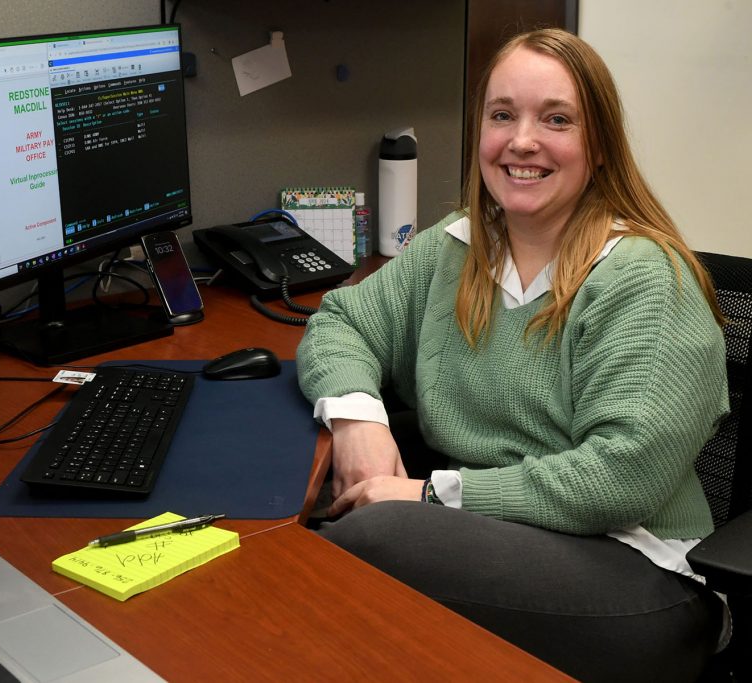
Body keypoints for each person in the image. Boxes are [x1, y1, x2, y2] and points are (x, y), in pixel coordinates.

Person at [297, 28, 730, 682]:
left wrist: (428, 494)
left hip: (639, 574)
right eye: (503, 115)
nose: (522, 140)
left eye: (556, 119)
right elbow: (342, 321)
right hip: (495, 538)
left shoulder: (644, 279)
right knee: (331, 547)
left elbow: (619, 479)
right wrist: (360, 422)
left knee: (361, 543)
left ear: (601, 146)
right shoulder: (458, 246)